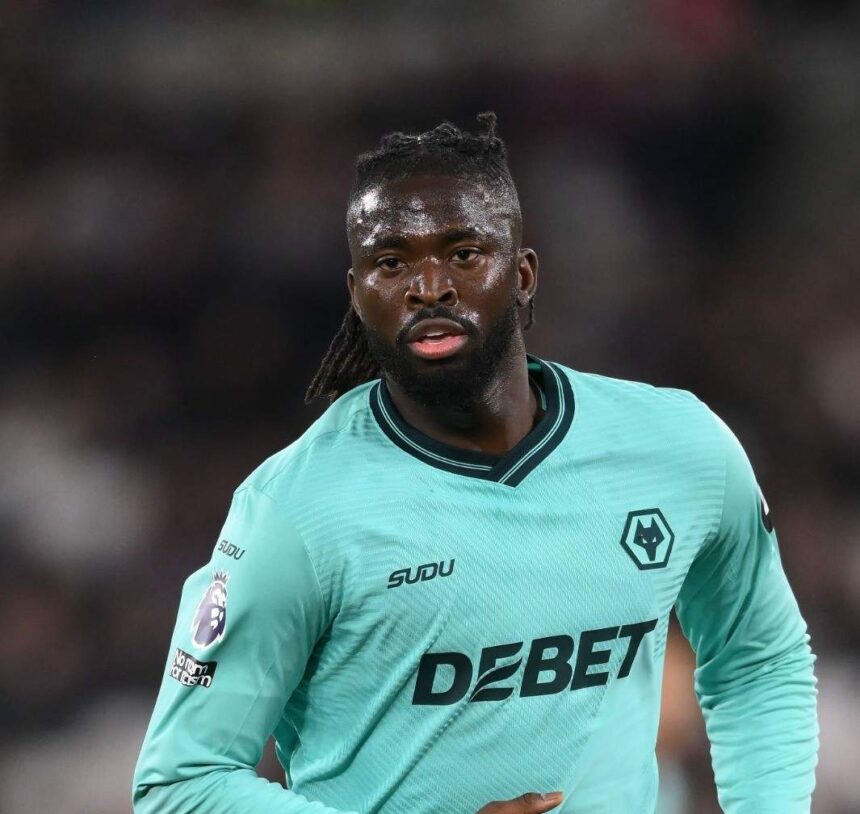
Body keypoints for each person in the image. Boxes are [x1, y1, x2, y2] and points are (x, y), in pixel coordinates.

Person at [132, 113, 818, 814]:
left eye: (463, 253)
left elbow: (759, 660)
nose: (429, 286)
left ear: (522, 275)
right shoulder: (296, 510)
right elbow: (179, 784)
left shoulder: (678, 447)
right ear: (357, 294)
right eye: (391, 262)